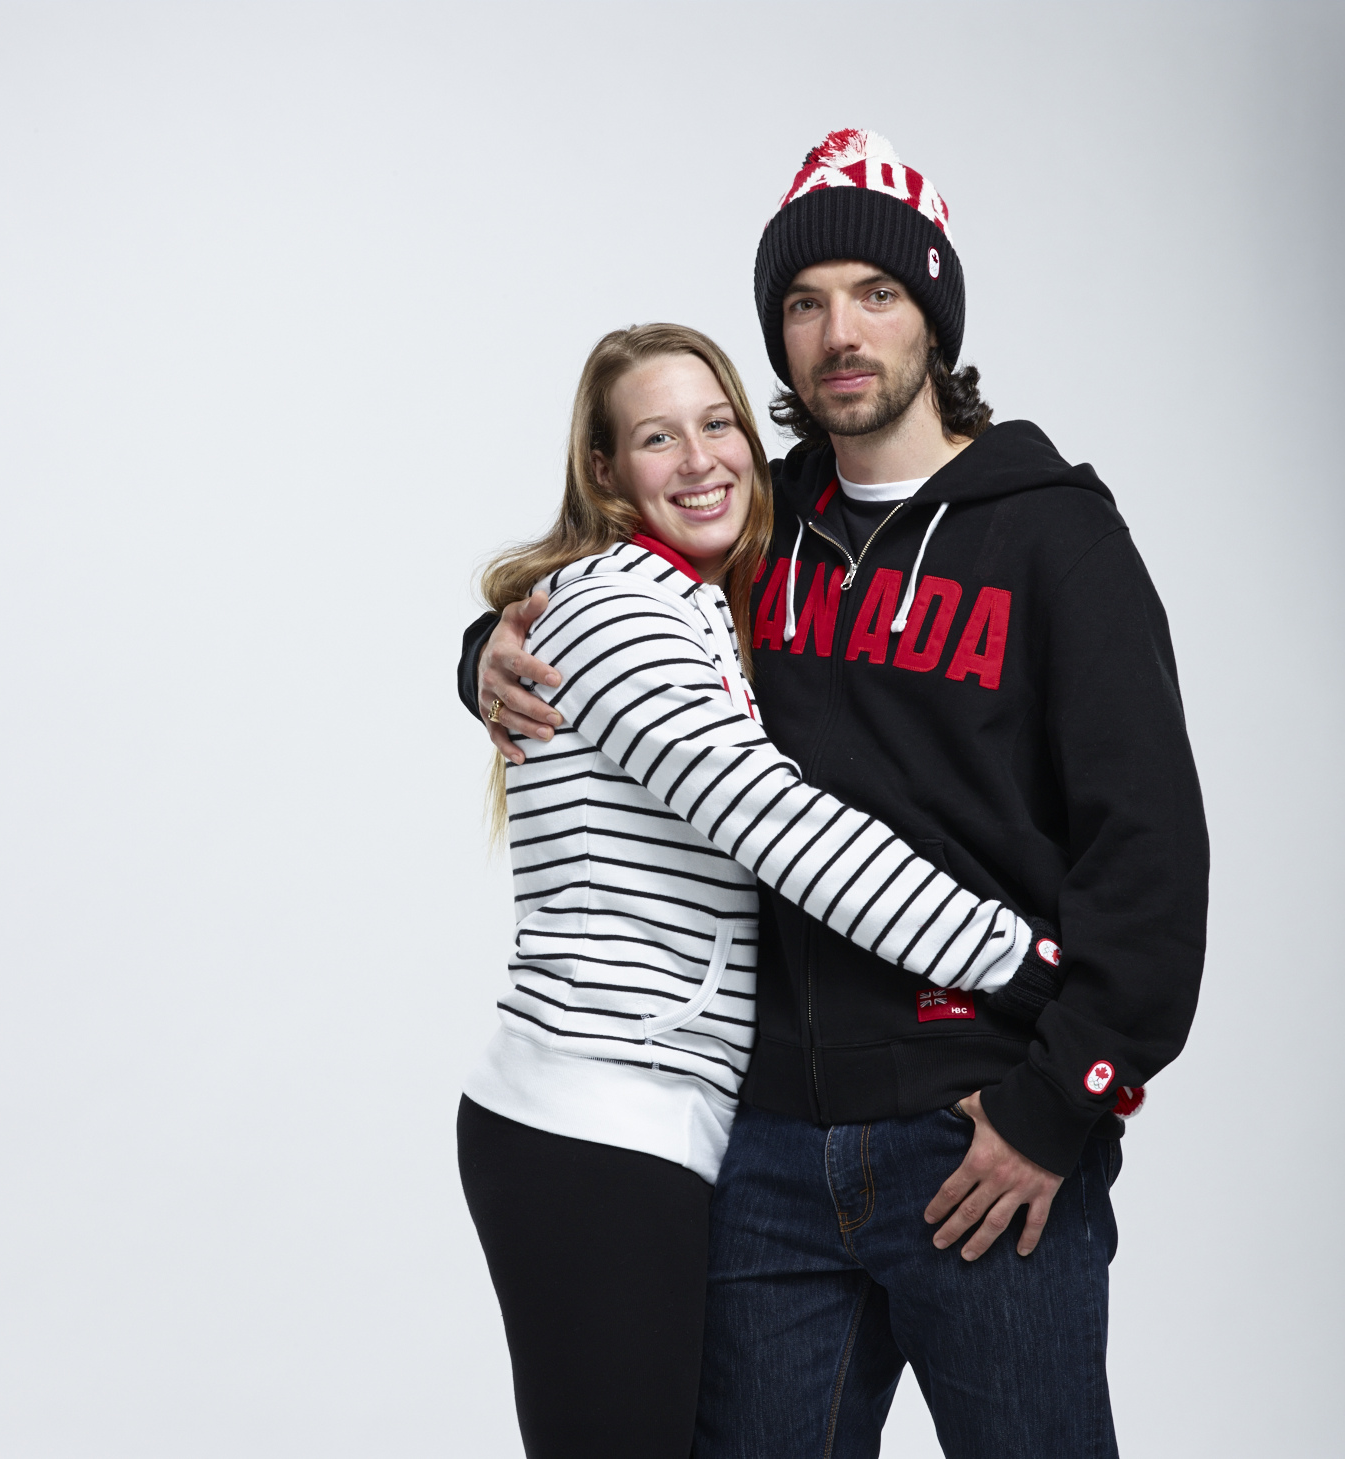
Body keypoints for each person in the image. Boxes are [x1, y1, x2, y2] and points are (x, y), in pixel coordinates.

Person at [460, 131, 1207, 1458]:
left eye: (875, 292)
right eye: (804, 303)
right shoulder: (752, 524)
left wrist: (1057, 1101)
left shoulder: (1056, 538)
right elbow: (604, 606)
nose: (838, 331)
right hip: (761, 1154)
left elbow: (1151, 862)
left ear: (935, 312)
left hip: (978, 1139)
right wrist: (485, 654)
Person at [457, 321, 1064, 1459]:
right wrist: (1027, 966)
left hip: (642, 1124)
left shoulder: (698, 604)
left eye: (717, 422)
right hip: (593, 1122)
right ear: (605, 473)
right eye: (654, 437)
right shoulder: (625, 608)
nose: (697, 460)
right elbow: (786, 829)